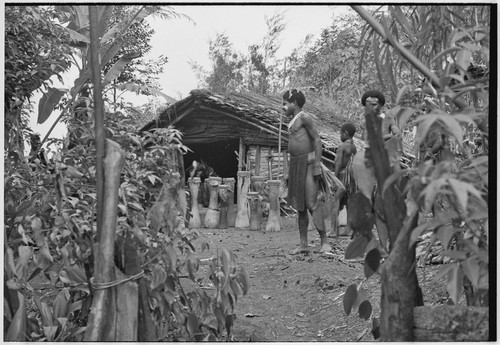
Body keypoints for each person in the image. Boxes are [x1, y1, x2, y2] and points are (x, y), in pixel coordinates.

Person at [283, 89, 331, 254]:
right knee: (300, 207)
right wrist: (289, 171)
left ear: (294, 103)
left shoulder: (305, 117)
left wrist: (317, 164)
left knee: (311, 203)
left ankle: (324, 241)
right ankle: (303, 244)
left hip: (309, 163)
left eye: (285, 103)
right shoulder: (292, 121)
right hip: (296, 164)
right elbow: (293, 148)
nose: (283, 107)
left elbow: (317, 141)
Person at [331, 123, 357, 237]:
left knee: (335, 200)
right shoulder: (354, 147)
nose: (340, 135)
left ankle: (333, 230)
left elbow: (338, 163)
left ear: (345, 133)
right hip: (351, 178)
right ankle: (348, 230)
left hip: (342, 176)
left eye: (341, 133)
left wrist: (334, 179)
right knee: (350, 203)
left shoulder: (342, 146)